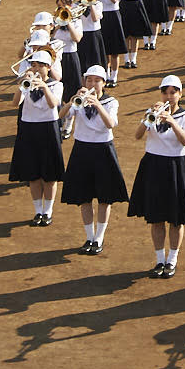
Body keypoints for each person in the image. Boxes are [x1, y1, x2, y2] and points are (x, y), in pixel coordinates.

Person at [129, 74, 185, 277]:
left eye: (173, 93)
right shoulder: (153, 114)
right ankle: (160, 260)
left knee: (176, 219)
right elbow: (137, 135)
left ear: (180, 94)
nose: (169, 96)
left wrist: (172, 121)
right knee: (156, 217)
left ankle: (172, 260)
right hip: (154, 165)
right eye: (165, 92)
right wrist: (150, 115)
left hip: (177, 166)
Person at [62, 65, 128, 254]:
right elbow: (61, 115)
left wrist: (97, 105)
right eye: (89, 80)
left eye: (96, 80)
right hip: (81, 149)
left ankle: (99, 237)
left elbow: (110, 124)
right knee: (84, 197)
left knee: (104, 198)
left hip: (103, 150)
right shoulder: (80, 101)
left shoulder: (111, 102)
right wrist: (73, 100)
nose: (92, 84)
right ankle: (89, 237)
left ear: (103, 83)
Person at [12, 49, 66, 227]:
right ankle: (38, 211)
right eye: (34, 65)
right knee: (32, 173)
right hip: (28, 128)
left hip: (48, 129)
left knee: (49, 175)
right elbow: (15, 103)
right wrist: (22, 84)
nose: (36, 69)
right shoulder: (27, 83)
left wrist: (43, 86)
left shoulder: (56, 85)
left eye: (40, 66)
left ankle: (48, 211)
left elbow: (54, 104)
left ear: (48, 67)